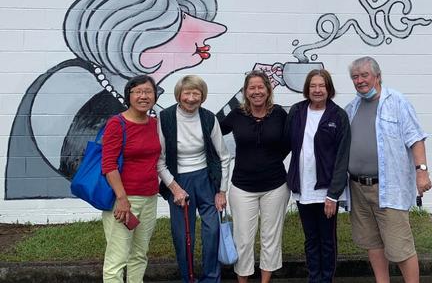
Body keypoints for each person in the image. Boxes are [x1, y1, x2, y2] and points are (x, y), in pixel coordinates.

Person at [6, 0, 227, 199]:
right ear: (140, 36)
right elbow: (90, 162)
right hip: (116, 201)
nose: (213, 30)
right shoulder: (67, 83)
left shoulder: (151, 112)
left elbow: (191, 149)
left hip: (142, 200)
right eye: (182, 18)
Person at [345, 56, 432, 283]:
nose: (360, 81)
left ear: (378, 76)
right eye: (355, 77)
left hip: (387, 187)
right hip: (357, 187)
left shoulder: (397, 102)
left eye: (365, 75)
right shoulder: (352, 107)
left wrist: (422, 171)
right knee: (372, 242)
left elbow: (416, 138)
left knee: (400, 245)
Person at [157, 75, 232, 283]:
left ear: (202, 96)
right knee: (183, 237)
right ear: (179, 95)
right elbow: (159, 161)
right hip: (179, 181)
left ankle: (211, 278)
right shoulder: (165, 118)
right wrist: (174, 188)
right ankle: (188, 278)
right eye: (187, 93)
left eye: (196, 93)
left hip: (206, 179)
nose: (191, 98)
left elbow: (223, 156)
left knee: (212, 230)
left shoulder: (209, 118)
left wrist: (222, 191)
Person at [219, 71, 291, 283]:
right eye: (252, 88)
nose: (257, 91)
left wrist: (271, 160)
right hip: (242, 187)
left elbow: (289, 142)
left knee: (270, 237)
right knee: (243, 239)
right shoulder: (236, 115)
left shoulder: (279, 114)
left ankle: (265, 280)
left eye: (261, 87)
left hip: (275, 186)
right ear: (245, 91)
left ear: (268, 90)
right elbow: (213, 132)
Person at [286, 69, 350, 283]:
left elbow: (342, 158)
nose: (317, 90)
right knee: (311, 238)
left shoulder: (338, 116)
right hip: (303, 188)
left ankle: (326, 279)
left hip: (326, 191)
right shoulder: (297, 111)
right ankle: (314, 278)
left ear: (329, 88)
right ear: (307, 89)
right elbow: (285, 143)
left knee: (327, 240)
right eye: (313, 86)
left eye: (321, 85)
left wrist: (333, 194)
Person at [101, 75, 162, 283]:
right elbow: (108, 165)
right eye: (138, 92)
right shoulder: (117, 123)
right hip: (124, 200)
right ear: (129, 95)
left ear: (154, 96)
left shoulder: (155, 124)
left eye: (148, 92)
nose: (143, 96)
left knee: (139, 254)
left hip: (149, 198)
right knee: (117, 259)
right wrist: (122, 199)